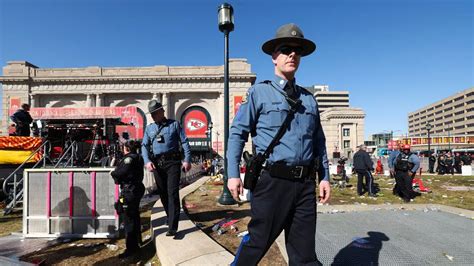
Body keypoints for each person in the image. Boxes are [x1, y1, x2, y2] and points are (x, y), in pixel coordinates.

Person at [227, 23, 331, 265]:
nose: (292, 54)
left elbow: (319, 142)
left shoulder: (309, 100)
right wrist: (233, 174)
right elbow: (237, 133)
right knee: (257, 243)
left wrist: (324, 177)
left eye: (297, 50)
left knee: (305, 255)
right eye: (285, 49)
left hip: (305, 185)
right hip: (272, 182)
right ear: (274, 56)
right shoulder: (258, 94)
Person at [141, 99, 191, 237]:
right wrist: (147, 161)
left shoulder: (174, 125)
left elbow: (185, 142)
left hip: (173, 162)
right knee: (162, 193)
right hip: (157, 164)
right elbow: (144, 146)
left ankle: (173, 226)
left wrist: (187, 160)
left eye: (155, 113)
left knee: (172, 192)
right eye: (152, 114)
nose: (153, 116)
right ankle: (170, 216)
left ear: (161, 111)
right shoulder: (149, 128)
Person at [111, 140, 145, 259]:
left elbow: (120, 173)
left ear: (127, 149)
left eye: (123, 148)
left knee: (128, 219)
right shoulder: (139, 157)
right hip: (136, 189)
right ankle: (137, 242)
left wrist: (114, 173)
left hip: (129, 190)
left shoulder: (128, 159)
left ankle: (131, 248)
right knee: (134, 216)